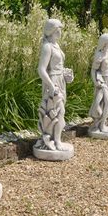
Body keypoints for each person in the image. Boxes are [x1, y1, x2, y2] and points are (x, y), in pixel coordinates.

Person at [35, 19, 73, 151]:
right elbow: (41, 69)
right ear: (52, 30)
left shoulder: (56, 45)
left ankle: (55, 139)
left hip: (60, 80)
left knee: (60, 111)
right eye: (58, 29)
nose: (60, 32)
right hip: (53, 81)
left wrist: (67, 76)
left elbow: (58, 66)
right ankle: (56, 142)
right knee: (58, 111)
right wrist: (51, 86)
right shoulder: (47, 46)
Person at [89, 33, 108, 133]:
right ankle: (99, 123)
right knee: (104, 102)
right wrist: (96, 82)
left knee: (105, 103)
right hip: (101, 81)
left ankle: (101, 124)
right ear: (104, 43)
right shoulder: (99, 54)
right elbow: (93, 70)